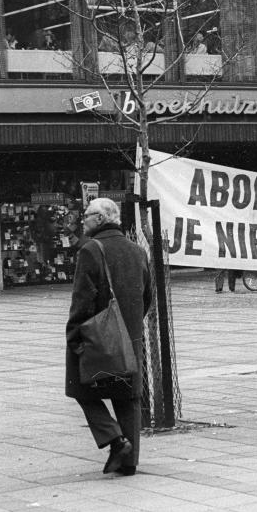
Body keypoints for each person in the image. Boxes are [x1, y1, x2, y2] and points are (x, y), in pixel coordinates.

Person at [65, 198, 152, 476]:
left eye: (87, 215)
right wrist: (131, 324)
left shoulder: (90, 250)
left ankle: (115, 439)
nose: (83, 220)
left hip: (99, 337)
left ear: (101, 219)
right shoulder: (137, 251)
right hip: (131, 337)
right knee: (128, 397)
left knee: (79, 388)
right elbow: (147, 295)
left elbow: (82, 300)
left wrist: (74, 335)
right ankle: (129, 462)